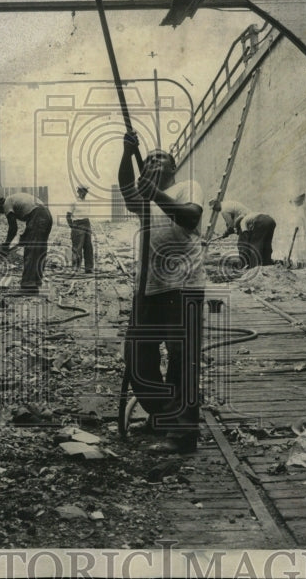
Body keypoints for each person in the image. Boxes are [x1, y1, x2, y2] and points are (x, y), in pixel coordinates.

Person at [118, 132, 204, 454]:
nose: (154, 161)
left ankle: (182, 436)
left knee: (183, 362)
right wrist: (127, 154)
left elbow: (191, 216)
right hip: (149, 289)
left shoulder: (186, 188)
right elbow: (126, 188)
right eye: (149, 158)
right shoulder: (144, 199)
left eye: (161, 158)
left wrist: (156, 193)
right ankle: (165, 415)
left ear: (173, 168)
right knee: (138, 359)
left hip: (184, 288)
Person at [0, 192, 54, 294]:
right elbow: (30, 217)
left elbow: (13, 228)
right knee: (39, 250)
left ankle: (27, 286)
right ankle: (35, 283)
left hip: (38, 215)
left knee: (31, 252)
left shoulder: (7, 203)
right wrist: (24, 237)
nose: (0, 212)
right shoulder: (14, 199)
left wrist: (6, 245)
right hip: (46, 215)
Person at [210, 198, 276, 268]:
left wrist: (227, 233)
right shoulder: (229, 203)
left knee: (254, 245)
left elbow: (232, 227)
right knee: (266, 244)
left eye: (214, 208)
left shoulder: (241, 222)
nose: (214, 210)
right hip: (270, 220)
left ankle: (253, 267)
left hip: (260, 221)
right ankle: (267, 263)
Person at [66, 185, 94, 274]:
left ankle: (88, 268)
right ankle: (75, 267)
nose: (84, 193)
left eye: (85, 192)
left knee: (88, 247)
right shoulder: (74, 202)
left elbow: (86, 215)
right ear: (78, 191)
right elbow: (68, 215)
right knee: (77, 247)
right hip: (77, 223)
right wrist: (72, 226)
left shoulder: (87, 202)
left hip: (86, 223)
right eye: (82, 191)